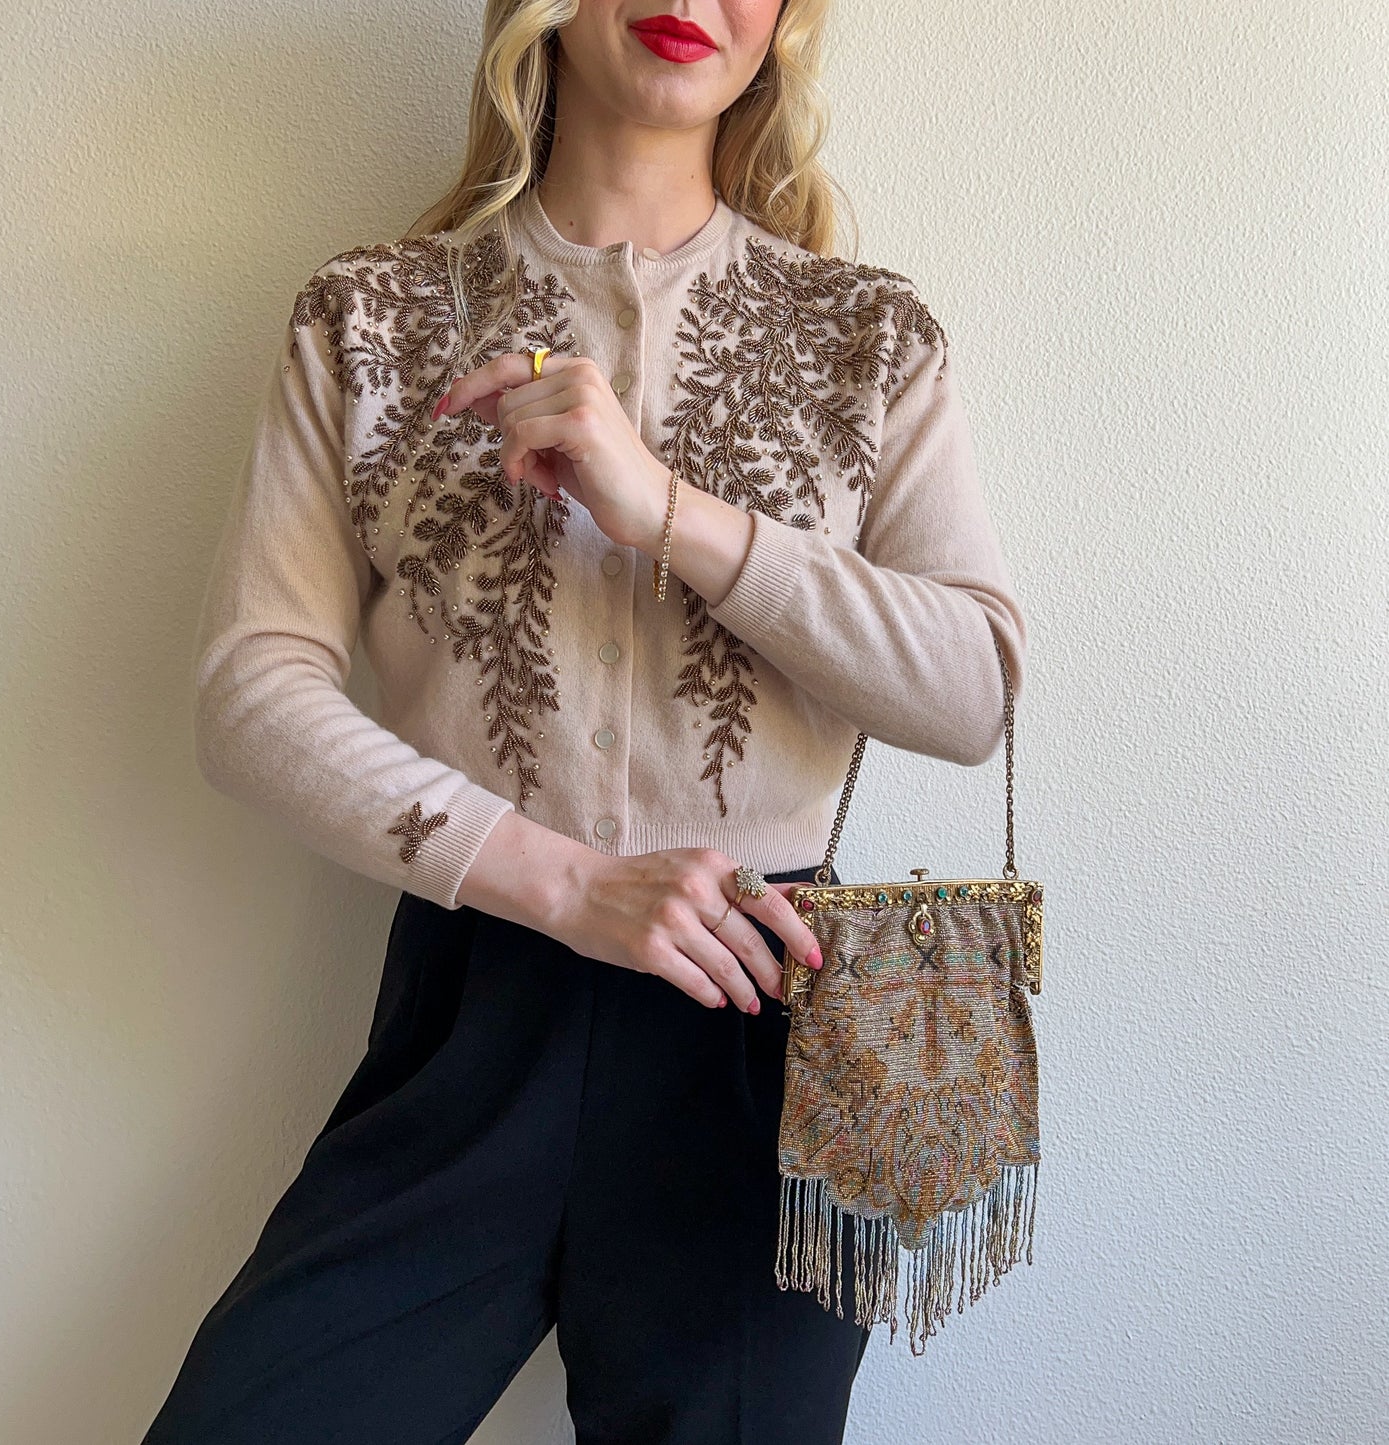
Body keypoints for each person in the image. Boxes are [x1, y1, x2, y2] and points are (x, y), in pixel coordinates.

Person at [142, 1, 1029, 1441]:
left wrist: (666, 510)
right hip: (472, 1000)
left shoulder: (865, 336)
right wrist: (560, 882)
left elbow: (973, 686)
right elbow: (253, 691)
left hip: (765, 1030)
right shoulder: (371, 318)